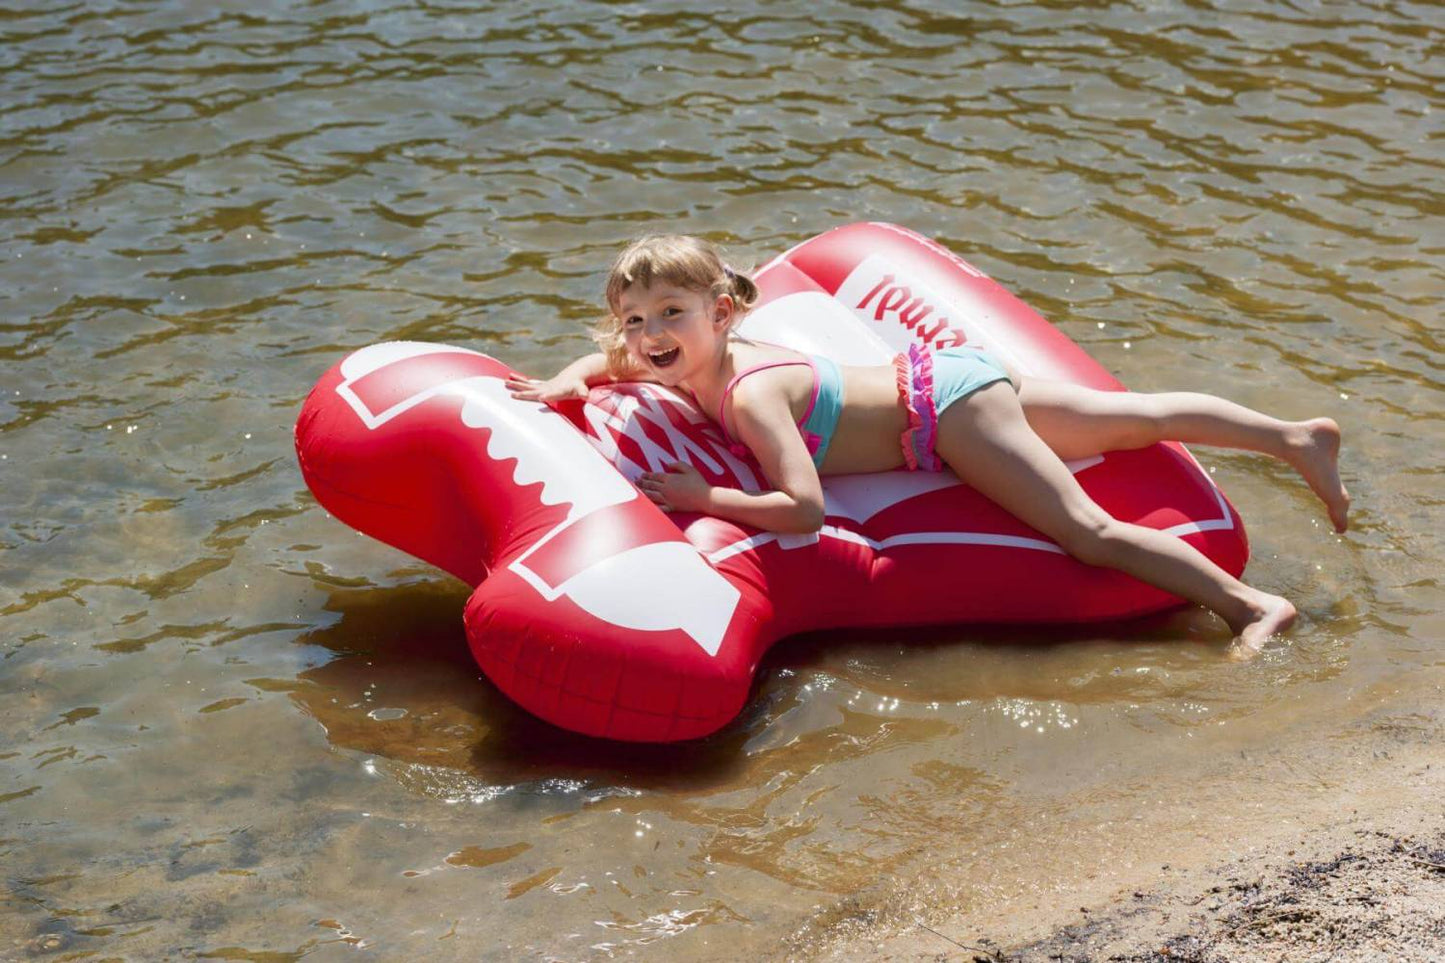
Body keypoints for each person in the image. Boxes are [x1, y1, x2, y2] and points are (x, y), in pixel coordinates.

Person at [507, 235, 1349, 654]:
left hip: (945, 419)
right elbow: (604, 361)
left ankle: (1249, 605)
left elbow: (798, 508)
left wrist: (700, 499)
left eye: (669, 317)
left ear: (721, 314)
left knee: (1084, 531)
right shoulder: (674, 356)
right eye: (635, 321)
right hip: (941, 378)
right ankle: (1293, 436)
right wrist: (564, 382)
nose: (648, 338)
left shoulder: (749, 393)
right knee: (1130, 418)